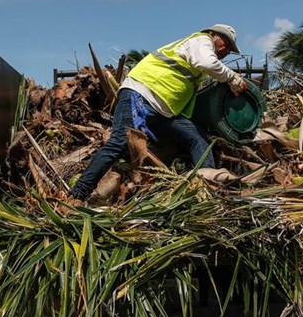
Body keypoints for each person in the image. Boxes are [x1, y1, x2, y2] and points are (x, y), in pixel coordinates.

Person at [70, 24, 248, 202]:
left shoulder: (200, 51)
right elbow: (207, 63)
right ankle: (77, 194)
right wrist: (232, 78)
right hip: (140, 95)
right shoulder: (202, 41)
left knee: (199, 139)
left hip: (163, 112)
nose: (227, 51)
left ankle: (205, 189)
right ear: (213, 35)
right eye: (226, 44)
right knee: (119, 142)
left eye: (231, 50)